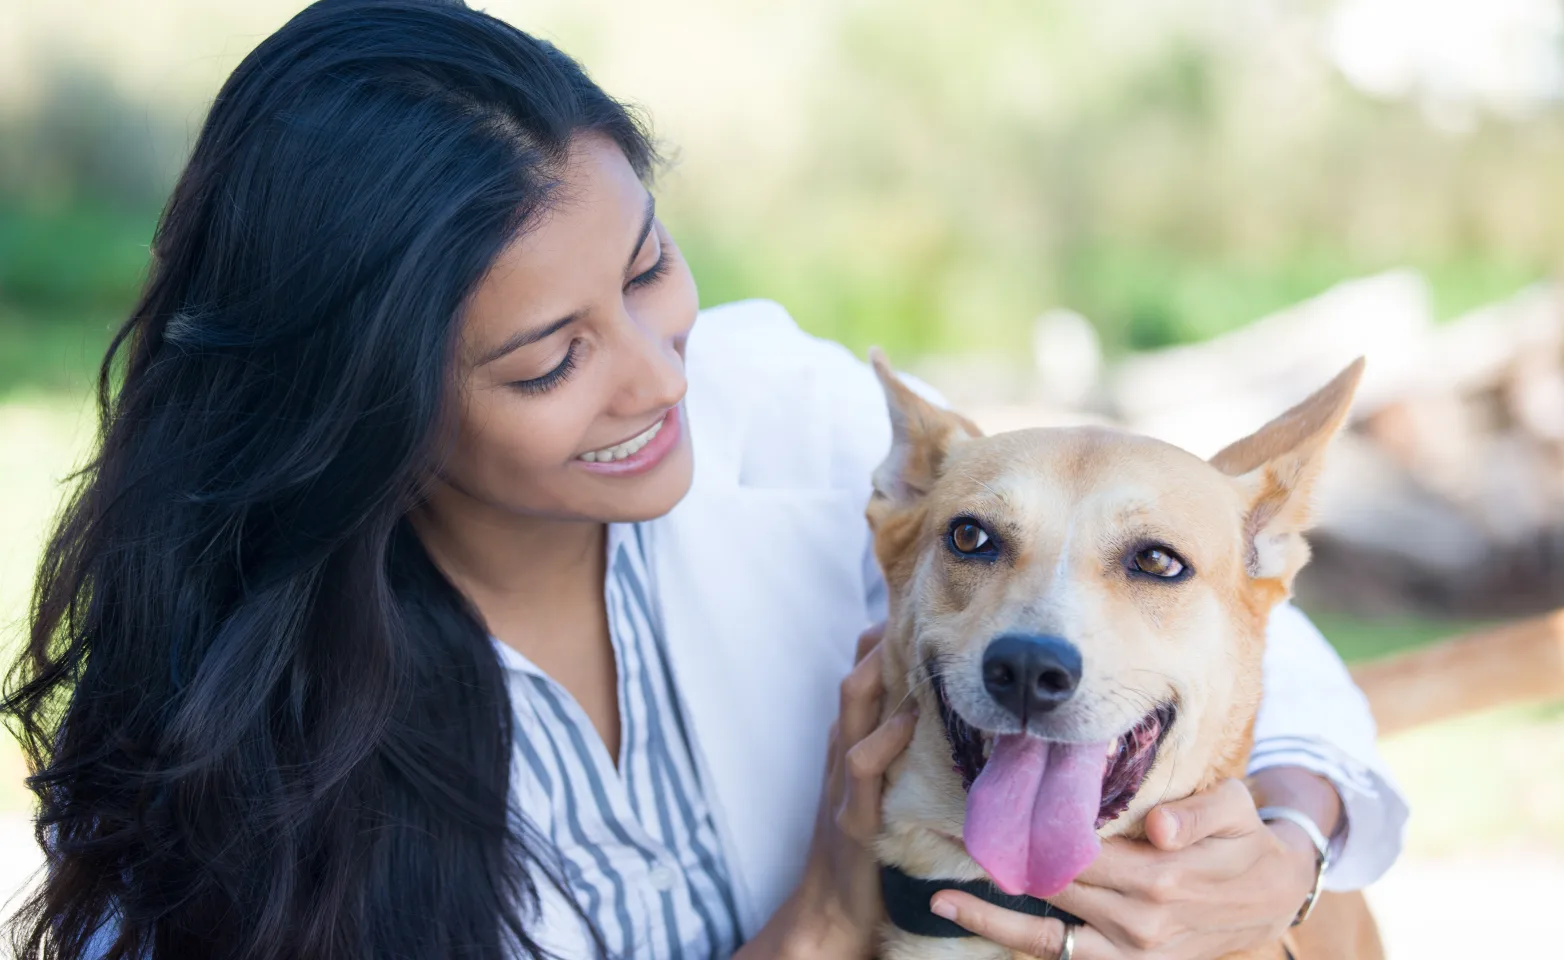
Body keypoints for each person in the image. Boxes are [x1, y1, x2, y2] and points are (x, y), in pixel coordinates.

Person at [2, 2, 1407, 958]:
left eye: (646, 267)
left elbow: (1215, 621)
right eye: (552, 359)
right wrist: (817, 910)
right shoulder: (223, 759)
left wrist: (1286, 840)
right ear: (357, 410)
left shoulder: (776, 406)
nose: (662, 378)